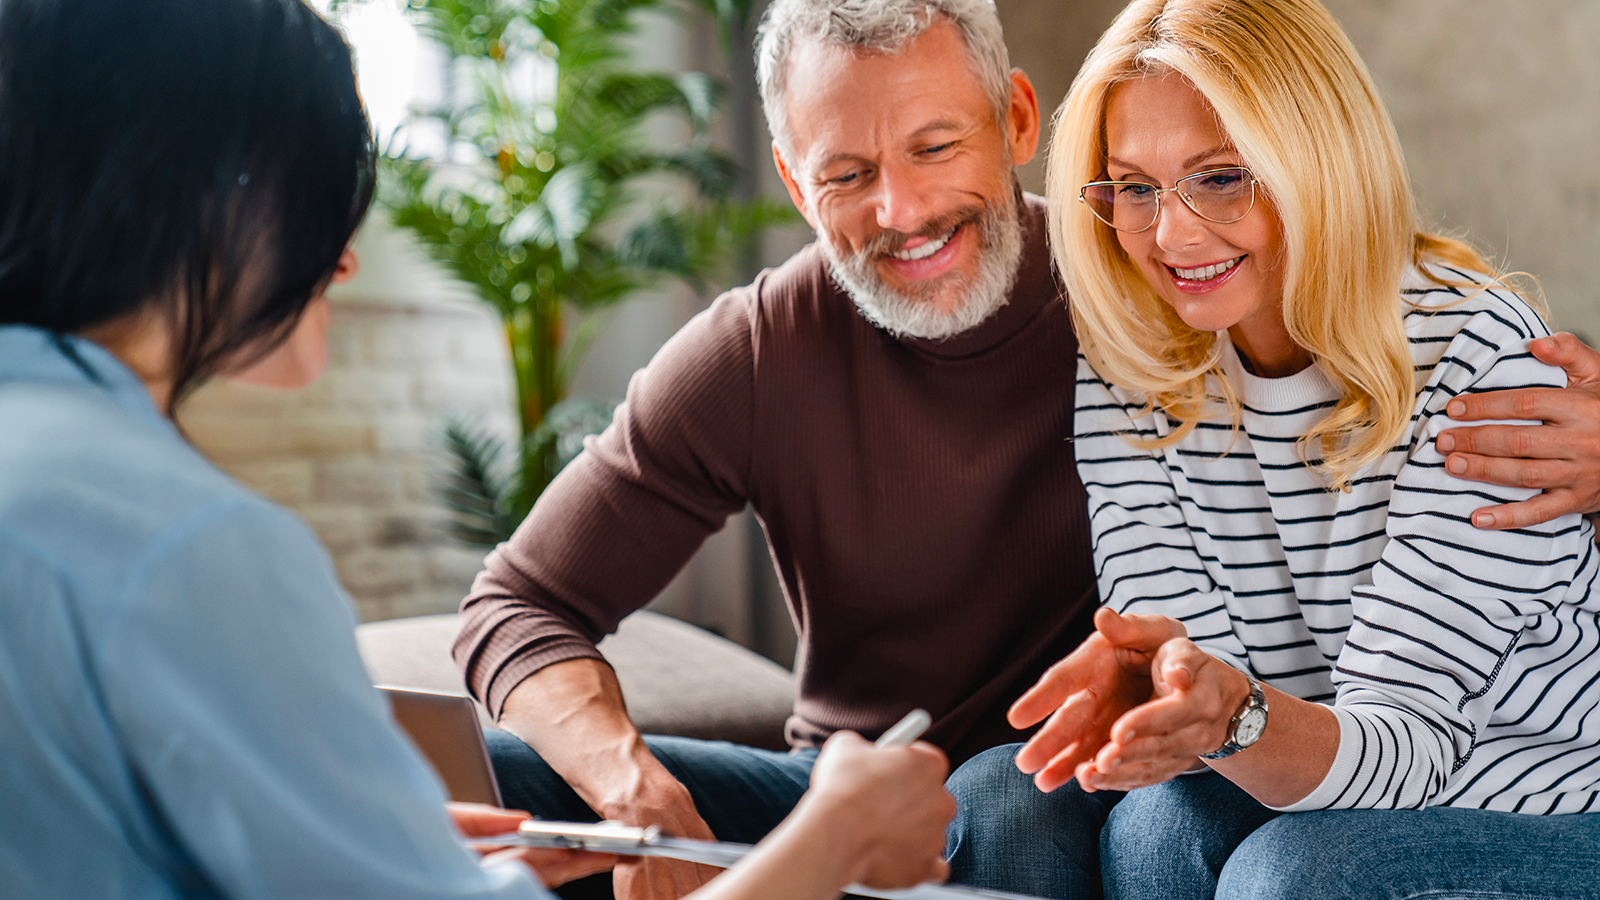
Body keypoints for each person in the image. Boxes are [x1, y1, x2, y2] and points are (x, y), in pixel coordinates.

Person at [454, 1, 1600, 898]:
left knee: (1030, 799)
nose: (898, 210)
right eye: (846, 173)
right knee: (493, 784)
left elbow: (1390, 334)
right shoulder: (783, 347)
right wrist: (628, 786)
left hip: (1056, 789)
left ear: (1013, 120)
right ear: (796, 181)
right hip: (859, 785)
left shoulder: (1145, 294)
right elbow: (514, 605)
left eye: (932, 144)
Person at [0, 1, 957, 898]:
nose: (344, 259)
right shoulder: (190, 546)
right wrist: (826, 845)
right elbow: (516, 601)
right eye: (328, 198)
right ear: (210, 197)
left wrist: (377, 837)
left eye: (936, 147)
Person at [997, 0, 1600, 897]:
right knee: (1112, 829)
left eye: (1220, 177)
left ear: (1317, 160)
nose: (1171, 236)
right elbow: (1205, 693)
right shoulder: (1134, 355)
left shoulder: (1475, 358)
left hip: (1535, 811)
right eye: (1134, 186)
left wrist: (1230, 717)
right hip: (1312, 779)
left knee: (1299, 874)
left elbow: (1410, 746)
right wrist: (1168, 701)